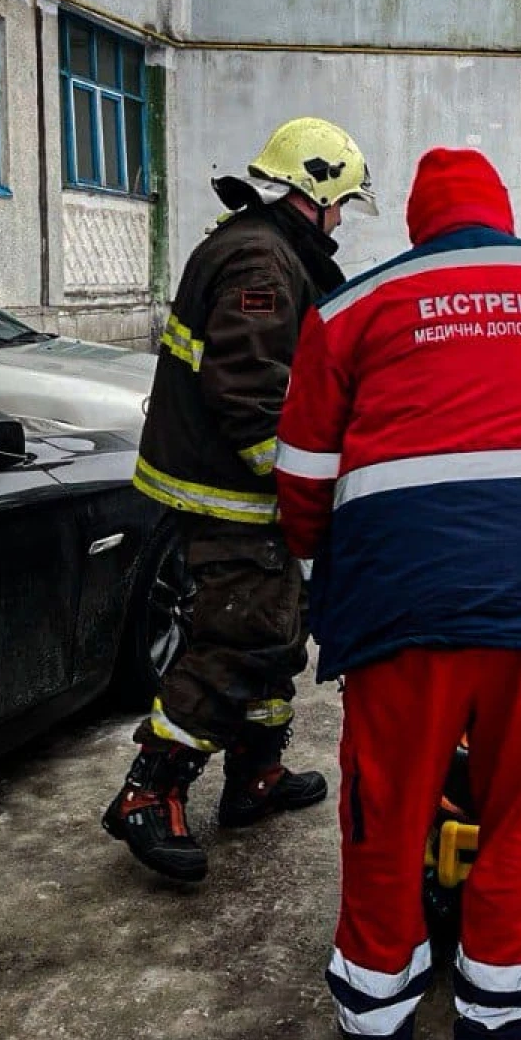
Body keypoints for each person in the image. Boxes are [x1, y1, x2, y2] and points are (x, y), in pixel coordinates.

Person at [275, 146, 521, 1040]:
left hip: (400, 604)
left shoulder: (350, 308)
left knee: (387, 811)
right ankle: (495, 1028)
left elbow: (302, 477)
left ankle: (373, 1024)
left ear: (417, 223)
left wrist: (329, 566)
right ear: (501, 213)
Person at [101, 117, 375, 884]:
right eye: (341, 204)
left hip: (241, 495)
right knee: (237, 638)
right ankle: (149, 793)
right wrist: (296, 482)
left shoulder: (261, 246)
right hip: (233, 497)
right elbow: (251, 392)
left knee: (276, 633)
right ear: (314, 193)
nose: (342, 220)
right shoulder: (261, 260)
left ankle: (256, 774)